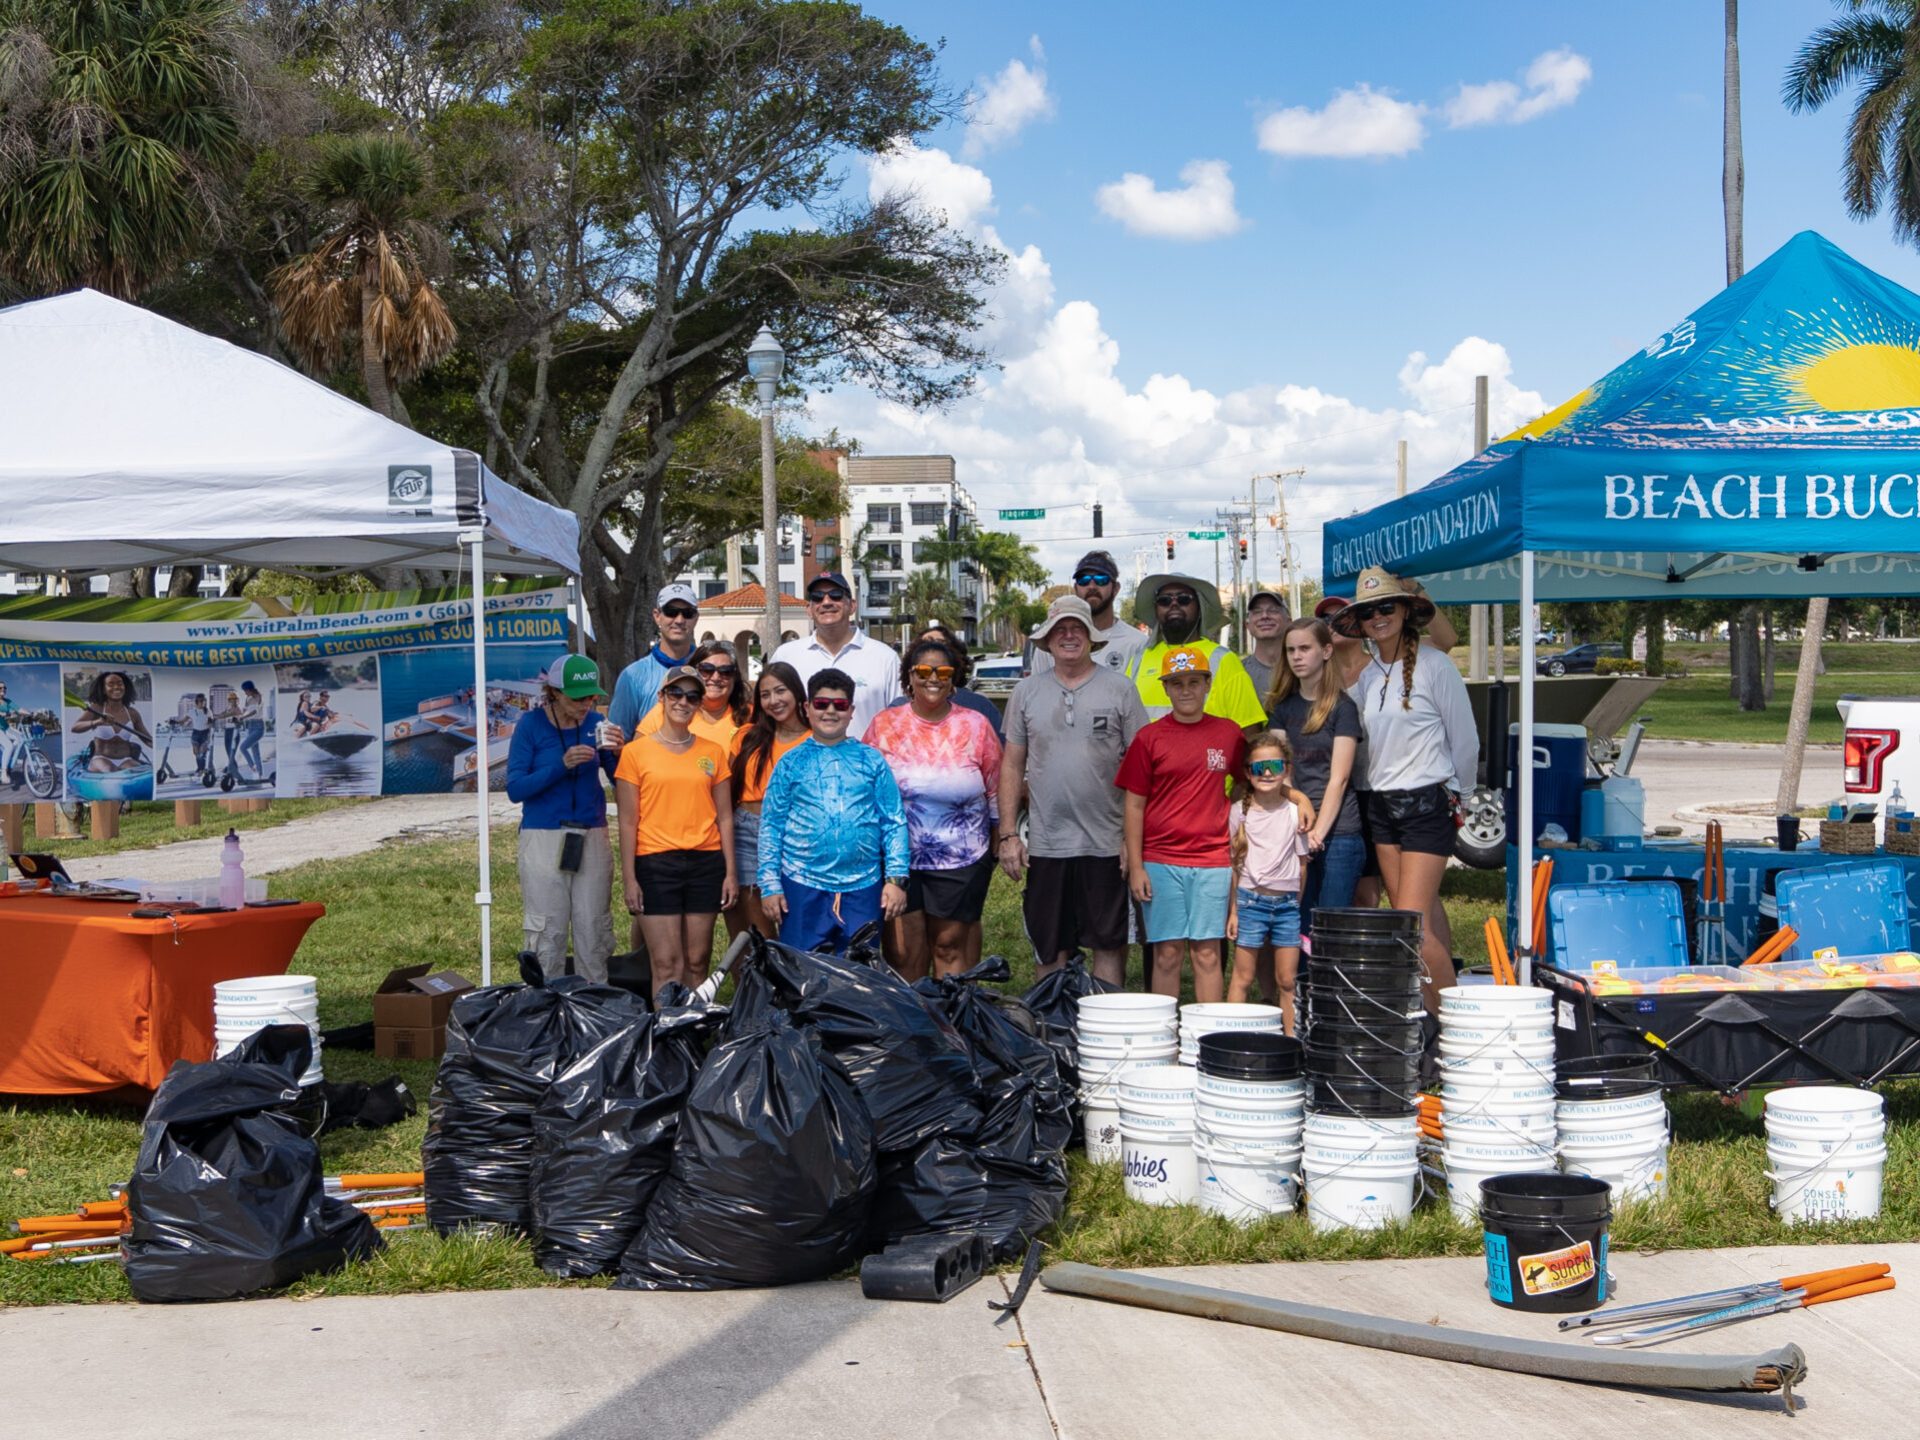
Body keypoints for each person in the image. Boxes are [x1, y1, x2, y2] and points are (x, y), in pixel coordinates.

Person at [1332, 568, 1478, 1010]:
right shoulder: (1368, 678)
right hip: (1380, 807)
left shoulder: (1435, 664)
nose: (1378, 616)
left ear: (1405, 611)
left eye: (1386, 607)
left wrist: (1465, 795)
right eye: (1368, 611)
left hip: (1425, 804)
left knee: (1410, 926)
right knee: (1421, 915)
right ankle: (1429, 1013)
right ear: (1358, 622)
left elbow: (1465, 738)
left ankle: (1458, 1024)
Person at [999, 595, 1147, 986]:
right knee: (1050, 948)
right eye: (1059, 630)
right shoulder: (1026, 693)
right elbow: (1012, 765)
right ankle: (1054, 1034)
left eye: (1077, 629)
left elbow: (1141, 769)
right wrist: (1009, 834)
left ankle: (1106, 1037)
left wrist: (1133, 841)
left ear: (1092, 638)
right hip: (1047, 845)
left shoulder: (1120, 689)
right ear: (1046, 641)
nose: (1068, 636)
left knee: (1109, 945)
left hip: (1106, 843)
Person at [1317, 590, 1461, 952]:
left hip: (1406, 791)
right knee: (1380, 899)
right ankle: (1418, 978)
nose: (1332, 623)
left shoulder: (1391, 661)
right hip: (1353, 793)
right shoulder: (1321, 676)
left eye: (1340, 614)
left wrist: (1418, 593)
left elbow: (1447, 640)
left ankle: (1441, 978)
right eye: (1325, 619)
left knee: (1414, 907)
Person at [863, 636, 1002, 980]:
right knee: (903, 954)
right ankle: (914, 1029)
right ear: (909, 677)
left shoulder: (975, 725)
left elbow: (996, 788)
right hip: (897, 857)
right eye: (923, 670)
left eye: (943, 671)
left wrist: (1002, 839)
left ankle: (952, 1026)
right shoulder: (884, 725)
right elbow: (865, 788)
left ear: (955, 677)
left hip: (963, 857)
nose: (933, 678)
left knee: (949, 947)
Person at [1116, 647, 1249, 1002]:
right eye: (1177, 683)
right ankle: (1163, 1037)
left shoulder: (1229, 733)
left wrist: (1231, 812)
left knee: (1207, 952)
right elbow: (1134, 803)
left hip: (1213, 859)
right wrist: (1137, 865)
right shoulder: (1149, 737)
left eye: (1194, 681)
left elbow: (1245, 781)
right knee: (1167, 952)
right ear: (1165, 688)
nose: (1186, 690)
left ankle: (1205, 1039)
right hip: (1160, 859)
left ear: (1208, 684)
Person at [758, 667, 910, 955]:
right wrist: (770, 885)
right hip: (802, 883)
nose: (830, 711)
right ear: (807, 707)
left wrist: (896, 880)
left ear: (851, 710)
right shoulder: (791, 763)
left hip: (863, 885)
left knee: (860, 974)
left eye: (839, 705)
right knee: (802, 971)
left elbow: (894, 822)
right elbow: (771, 826)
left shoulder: (871, 760)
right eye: (821, 704)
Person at [615, 664, 737, 995]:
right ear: (662, 697)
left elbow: (725, 816)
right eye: (676, 693)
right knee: (667, 964)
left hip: (705, 863)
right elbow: (627, 821)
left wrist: (730, 873)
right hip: (656, 864)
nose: (683, 702)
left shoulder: (713, 753)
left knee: (697, 961)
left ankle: (693, 1038)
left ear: (700, 703)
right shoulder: (635, 753)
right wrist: (629, 878)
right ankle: (668, 1040)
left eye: (692, 696)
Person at [507, 655, 624, 982]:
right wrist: (562, 765)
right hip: (543, 835)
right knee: (548, 930)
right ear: (554, 692)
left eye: (592, 696)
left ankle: (593, 1009)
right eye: (578, 697)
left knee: (593, 926)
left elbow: (618, 780)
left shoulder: (595, 724)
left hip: (591, 833)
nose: (586, 704)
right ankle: (545, 1009)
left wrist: (617, 754)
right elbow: (515, 788)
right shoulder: (531, 725)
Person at [1267, 618, 1366, 930]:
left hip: (1339, 833)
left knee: (1331, 927)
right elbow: (1282, 772)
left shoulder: (1343, 707)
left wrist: (1317, 834)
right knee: (1296, 925)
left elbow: (1340, 778)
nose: (1296, 656)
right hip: (1295, 828)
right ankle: (1299, 982)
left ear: (1325, 651)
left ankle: (1329, 982)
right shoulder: (1281, 707)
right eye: (1291, 650)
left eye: (1305, 648)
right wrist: (1300, 821)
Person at [1227, 732, 1310, 1027]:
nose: (1266, 774)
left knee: (1287, 980)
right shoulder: (1239, 813)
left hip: (1286, 907)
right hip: (1250, 902)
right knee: (1242, 976)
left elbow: (1302, 866)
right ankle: (1230, 1037)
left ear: (1286, 770)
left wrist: (1293, 904)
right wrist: (1235, 911)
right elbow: (1235, 865)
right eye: (1258, 768)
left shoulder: (1294, 813)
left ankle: (1292, 1042)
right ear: (1248, 773)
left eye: (1274, 766)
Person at [725, 660, 812, 940]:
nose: (773, 700)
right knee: (758, 930)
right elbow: (726, 791)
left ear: (797, 693)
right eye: (765, 695)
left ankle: (791, 981)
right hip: (747, 833)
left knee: (793, 918)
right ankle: (758, 984)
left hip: (797, 836)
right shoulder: (746, 737)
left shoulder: (816, 740)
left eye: (780, 691)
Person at [1124, 574, 1267, 728]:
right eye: (1164, 600)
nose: (1174, 604)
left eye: (1184, 599)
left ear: (1200, 608)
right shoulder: (1139, 659)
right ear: (1156, 609)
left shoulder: (1223, 660)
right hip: (1147, 752)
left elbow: (1250, 731)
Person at [771, 571, 901, 738]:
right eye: (817, 597)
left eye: (836, 595)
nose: (826, 602)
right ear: (809, 610)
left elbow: (899, 719)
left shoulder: (885, 658)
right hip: (803, 762)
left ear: (852, 606)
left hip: (866, 762)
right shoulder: (786, 656)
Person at [1030, 550, 1149, 677]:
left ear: (1116, 588)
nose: (1092, 586)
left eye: (1101, 579)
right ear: (1076, 588)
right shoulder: (1052, 643)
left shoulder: (1137, 643)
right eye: (1084, 580)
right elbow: (1037, 692)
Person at [607, 583, 701, 738]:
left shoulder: (709, 672)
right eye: (671, 612)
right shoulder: (632, 676)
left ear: (696, 618)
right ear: (657, 615)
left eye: (687, 613)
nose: (679, 620)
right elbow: (617, 741)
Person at [886, 622, 1002, 737]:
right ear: (911, 672)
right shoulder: (893, 714)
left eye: (940, 647)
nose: (933, 678)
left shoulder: (981, 709)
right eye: (924, 670)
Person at [636, 640, 748, 745]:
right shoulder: (668, 710)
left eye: (725, 671)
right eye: (707, 670)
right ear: (693, 672)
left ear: (735, 677)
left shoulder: (750, 715)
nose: (715, 677)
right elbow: (636, 754)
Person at [72, 671, 151, 771]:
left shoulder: (132, 713)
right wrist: (98, 722)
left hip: (125, 760)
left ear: (125, 687)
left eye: (119, 683)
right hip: (101, 759)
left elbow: (147, 739)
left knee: (140, 770)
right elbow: (75, 727)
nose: (116, 687)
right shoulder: (97, 708)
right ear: (104, 690)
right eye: (111, 684)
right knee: (109, 769)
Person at [1240, 590, 1292, 700]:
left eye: (1273, 610)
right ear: (1247, 625)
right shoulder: (1238, 672)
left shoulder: (1304, 668)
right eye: (1257, 612)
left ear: (1289, 622)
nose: (1264, 616)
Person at [236, 681, 267, 780]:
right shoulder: (248, 699)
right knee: (255, 752)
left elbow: (254, 711)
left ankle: (253, 767)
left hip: (259, 727)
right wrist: (237, 717)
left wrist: (243, 718)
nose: (245, 693)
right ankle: (260, 775)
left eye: (245, 691)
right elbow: (244, 711)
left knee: (243, 747)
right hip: (250, 726)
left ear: (250, 689)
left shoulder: (259, 697)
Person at [186, 694, 213, 775]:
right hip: (195, 733)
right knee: (197, 754)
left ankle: (202, 769)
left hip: (205, 733)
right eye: (201, 701)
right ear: (197, 702)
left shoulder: (208, 711)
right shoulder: (192, 711)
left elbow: (210, 723)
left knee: (202, 753)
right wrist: (175, 722)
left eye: (204, 701)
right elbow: (184, 720)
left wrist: (210, 725)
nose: (203, 702)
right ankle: (199, 769)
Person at [0, 679, 21, 781]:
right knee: (8, 745)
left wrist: (31, 713)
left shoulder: (7, 702)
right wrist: (5, 714)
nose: (3, 689)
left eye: (4, 688)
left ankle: (9, 756)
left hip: (5, 727)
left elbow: (19, 709)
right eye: (0, 688)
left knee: (20, 737)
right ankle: (4, 773)